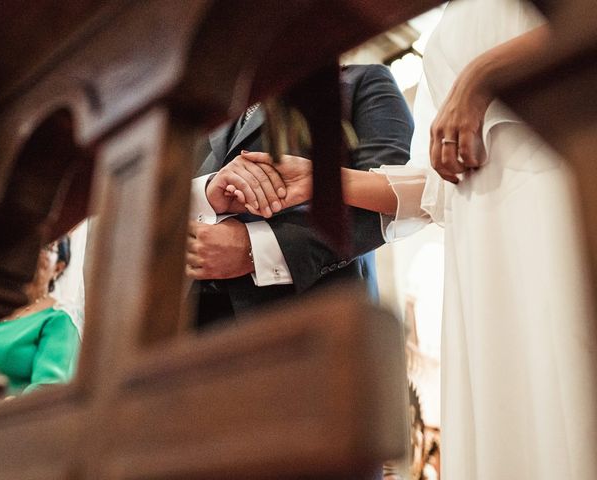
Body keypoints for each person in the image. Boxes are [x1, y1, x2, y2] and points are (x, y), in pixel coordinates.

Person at [230, 1, 597, 478]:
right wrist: (317, 180)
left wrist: (481, 78)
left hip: (552, 201)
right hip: (482, 249)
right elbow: (432, 184)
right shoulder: (450, 21)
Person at [187, 64, 414, 329]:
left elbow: (393, 198)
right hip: (197, 329)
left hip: (316, 321)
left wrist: (255, 249)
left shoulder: (362, 81)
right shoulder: (211, 114)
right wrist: (207, 194)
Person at [0, 235, 82, 395]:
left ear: (58, 267)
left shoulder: (60, 317)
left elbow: (48, 390)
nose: (38, 251)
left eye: (48, 247)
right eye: (36, 244)